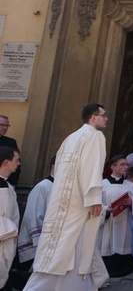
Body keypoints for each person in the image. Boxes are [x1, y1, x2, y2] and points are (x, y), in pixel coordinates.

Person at [25, 103, 109, 291]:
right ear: (93, 118)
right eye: (103, 115)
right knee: (74, 245)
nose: (106, 118)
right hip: (80, 202)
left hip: (62, 202)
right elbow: (91, 167)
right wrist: (94, 198)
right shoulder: (95, 136)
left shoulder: (70, 137)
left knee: (66, 246)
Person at [100, 156, 133, 277]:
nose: (126, 167)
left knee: (122, 244)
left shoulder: (130, 185)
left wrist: (132, 202)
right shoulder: (103, 184)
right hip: (108, 221)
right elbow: (97, 204)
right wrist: (106, 209)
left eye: (126, 165)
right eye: (122, 164)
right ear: (113, 167)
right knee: (107, 244)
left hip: (123, 221)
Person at [17, 156, 55, 267]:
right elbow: (32, 215)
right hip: (38, 242)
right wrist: (39, 240)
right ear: (54, 167)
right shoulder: (43, 187)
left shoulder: (58, 188)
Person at [0, 146, 20, 289]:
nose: (18, 163)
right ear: (6, 162)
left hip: (7, 240)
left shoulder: (9, 187)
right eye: (16, 160)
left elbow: (14, 215)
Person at [0, 115, 20, 186]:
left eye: (7, 125)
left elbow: (17, 164)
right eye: (2, 125)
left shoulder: (10, 142)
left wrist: (13, 183)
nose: (5, 128)